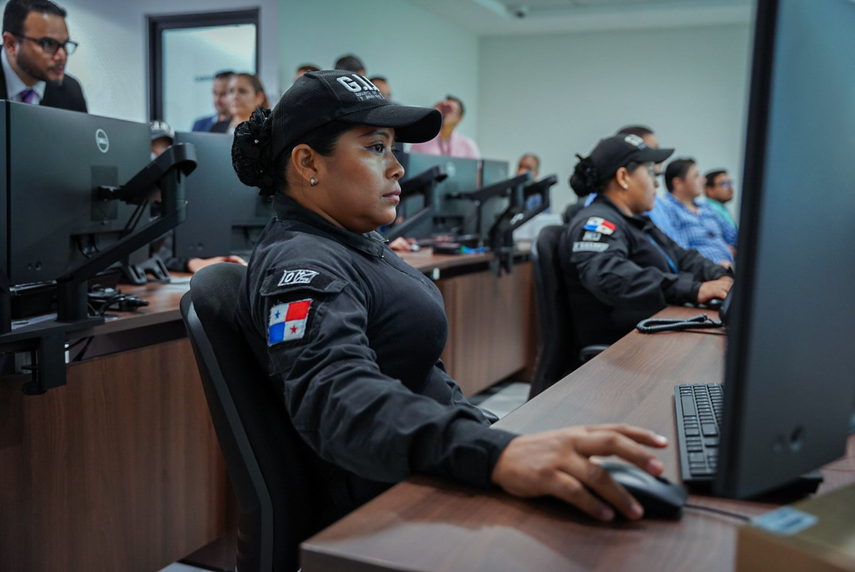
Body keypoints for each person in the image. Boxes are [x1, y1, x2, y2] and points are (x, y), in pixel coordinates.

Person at [230, 70, 670, 530]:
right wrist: (495, 453)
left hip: (432, 471)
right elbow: (340, 401)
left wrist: (495, 438)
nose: (398, 166)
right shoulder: (304, 266)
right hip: (393, 511)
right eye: (376, 147)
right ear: (307, 164)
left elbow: (416, 373)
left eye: (394, 148)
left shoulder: (352, 243)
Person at [560, 134, 733, 349]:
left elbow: (683, 256)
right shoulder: (597, 222)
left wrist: (721, 277)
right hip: (625, 348)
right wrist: (692, 289)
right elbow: (609, 276)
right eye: (650, 172)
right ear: (623, 177)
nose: (655, 183)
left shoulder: (636, 221)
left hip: (656, 331)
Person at [148, 120, 246, 273]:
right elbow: (146, 253)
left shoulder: (190, 202)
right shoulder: (133, 209)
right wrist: (190, 262)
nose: (163, 162)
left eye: (167, 153)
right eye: (155, 154)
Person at [1, 0, 86, 112]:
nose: (62, 56)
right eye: (48, 43)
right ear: (11, 44)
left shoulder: (71, 92)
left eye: (64, 44)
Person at [659, 158, 737, 267]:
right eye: (696, 176)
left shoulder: (705, 208)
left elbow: (733, 237)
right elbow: (681, 253)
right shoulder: (668, 210)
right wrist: (716, 265)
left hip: (730, 267)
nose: (703, 180)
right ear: (678, 183)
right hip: (706, 274)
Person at [409, 95, 480, 159]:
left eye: (450, 109)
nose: (445, 112)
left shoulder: (468, 146)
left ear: (459, 118)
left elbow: (476, 171)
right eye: (443, 108)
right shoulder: (422, 141)